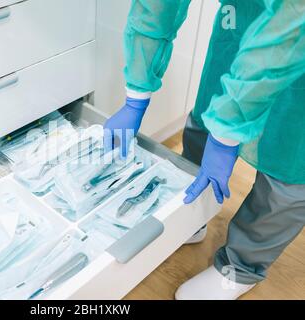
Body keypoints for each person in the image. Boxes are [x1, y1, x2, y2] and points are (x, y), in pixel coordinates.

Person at [104, 0, 305, 300]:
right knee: (208, 117)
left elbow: (291, 27)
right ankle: (189, 217)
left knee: (290, 156)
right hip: (240, 17)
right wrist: (137, 92)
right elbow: (158, 6)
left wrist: (226, 135)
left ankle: (240, 267)